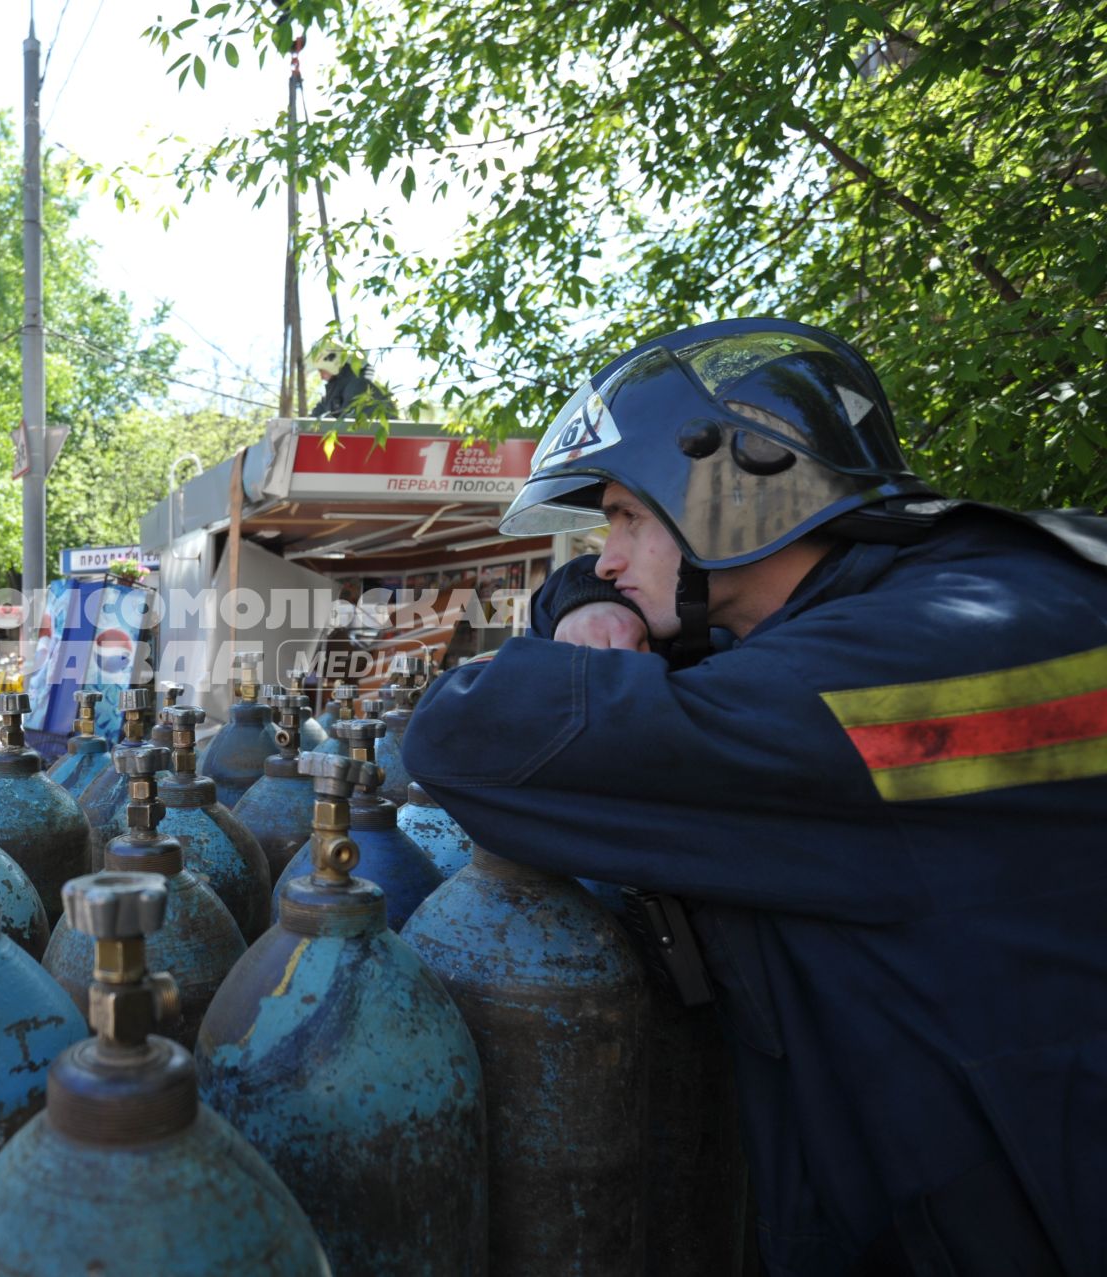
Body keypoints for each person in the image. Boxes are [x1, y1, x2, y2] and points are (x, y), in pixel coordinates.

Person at [403, 318, 1106, 1277]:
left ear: (734, 491)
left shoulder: (857, 684)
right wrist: (586, 603)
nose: (606, 556)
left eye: (626, 518)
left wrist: (588, 626)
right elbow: (621, 600)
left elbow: (470, 734)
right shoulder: (970, 588)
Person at [306, 338, 398, 420]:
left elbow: (348, 428)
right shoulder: (333, 394)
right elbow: (313, 421)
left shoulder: (358, 387)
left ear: (333, 363)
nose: (322, 377)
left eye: (322, 371)